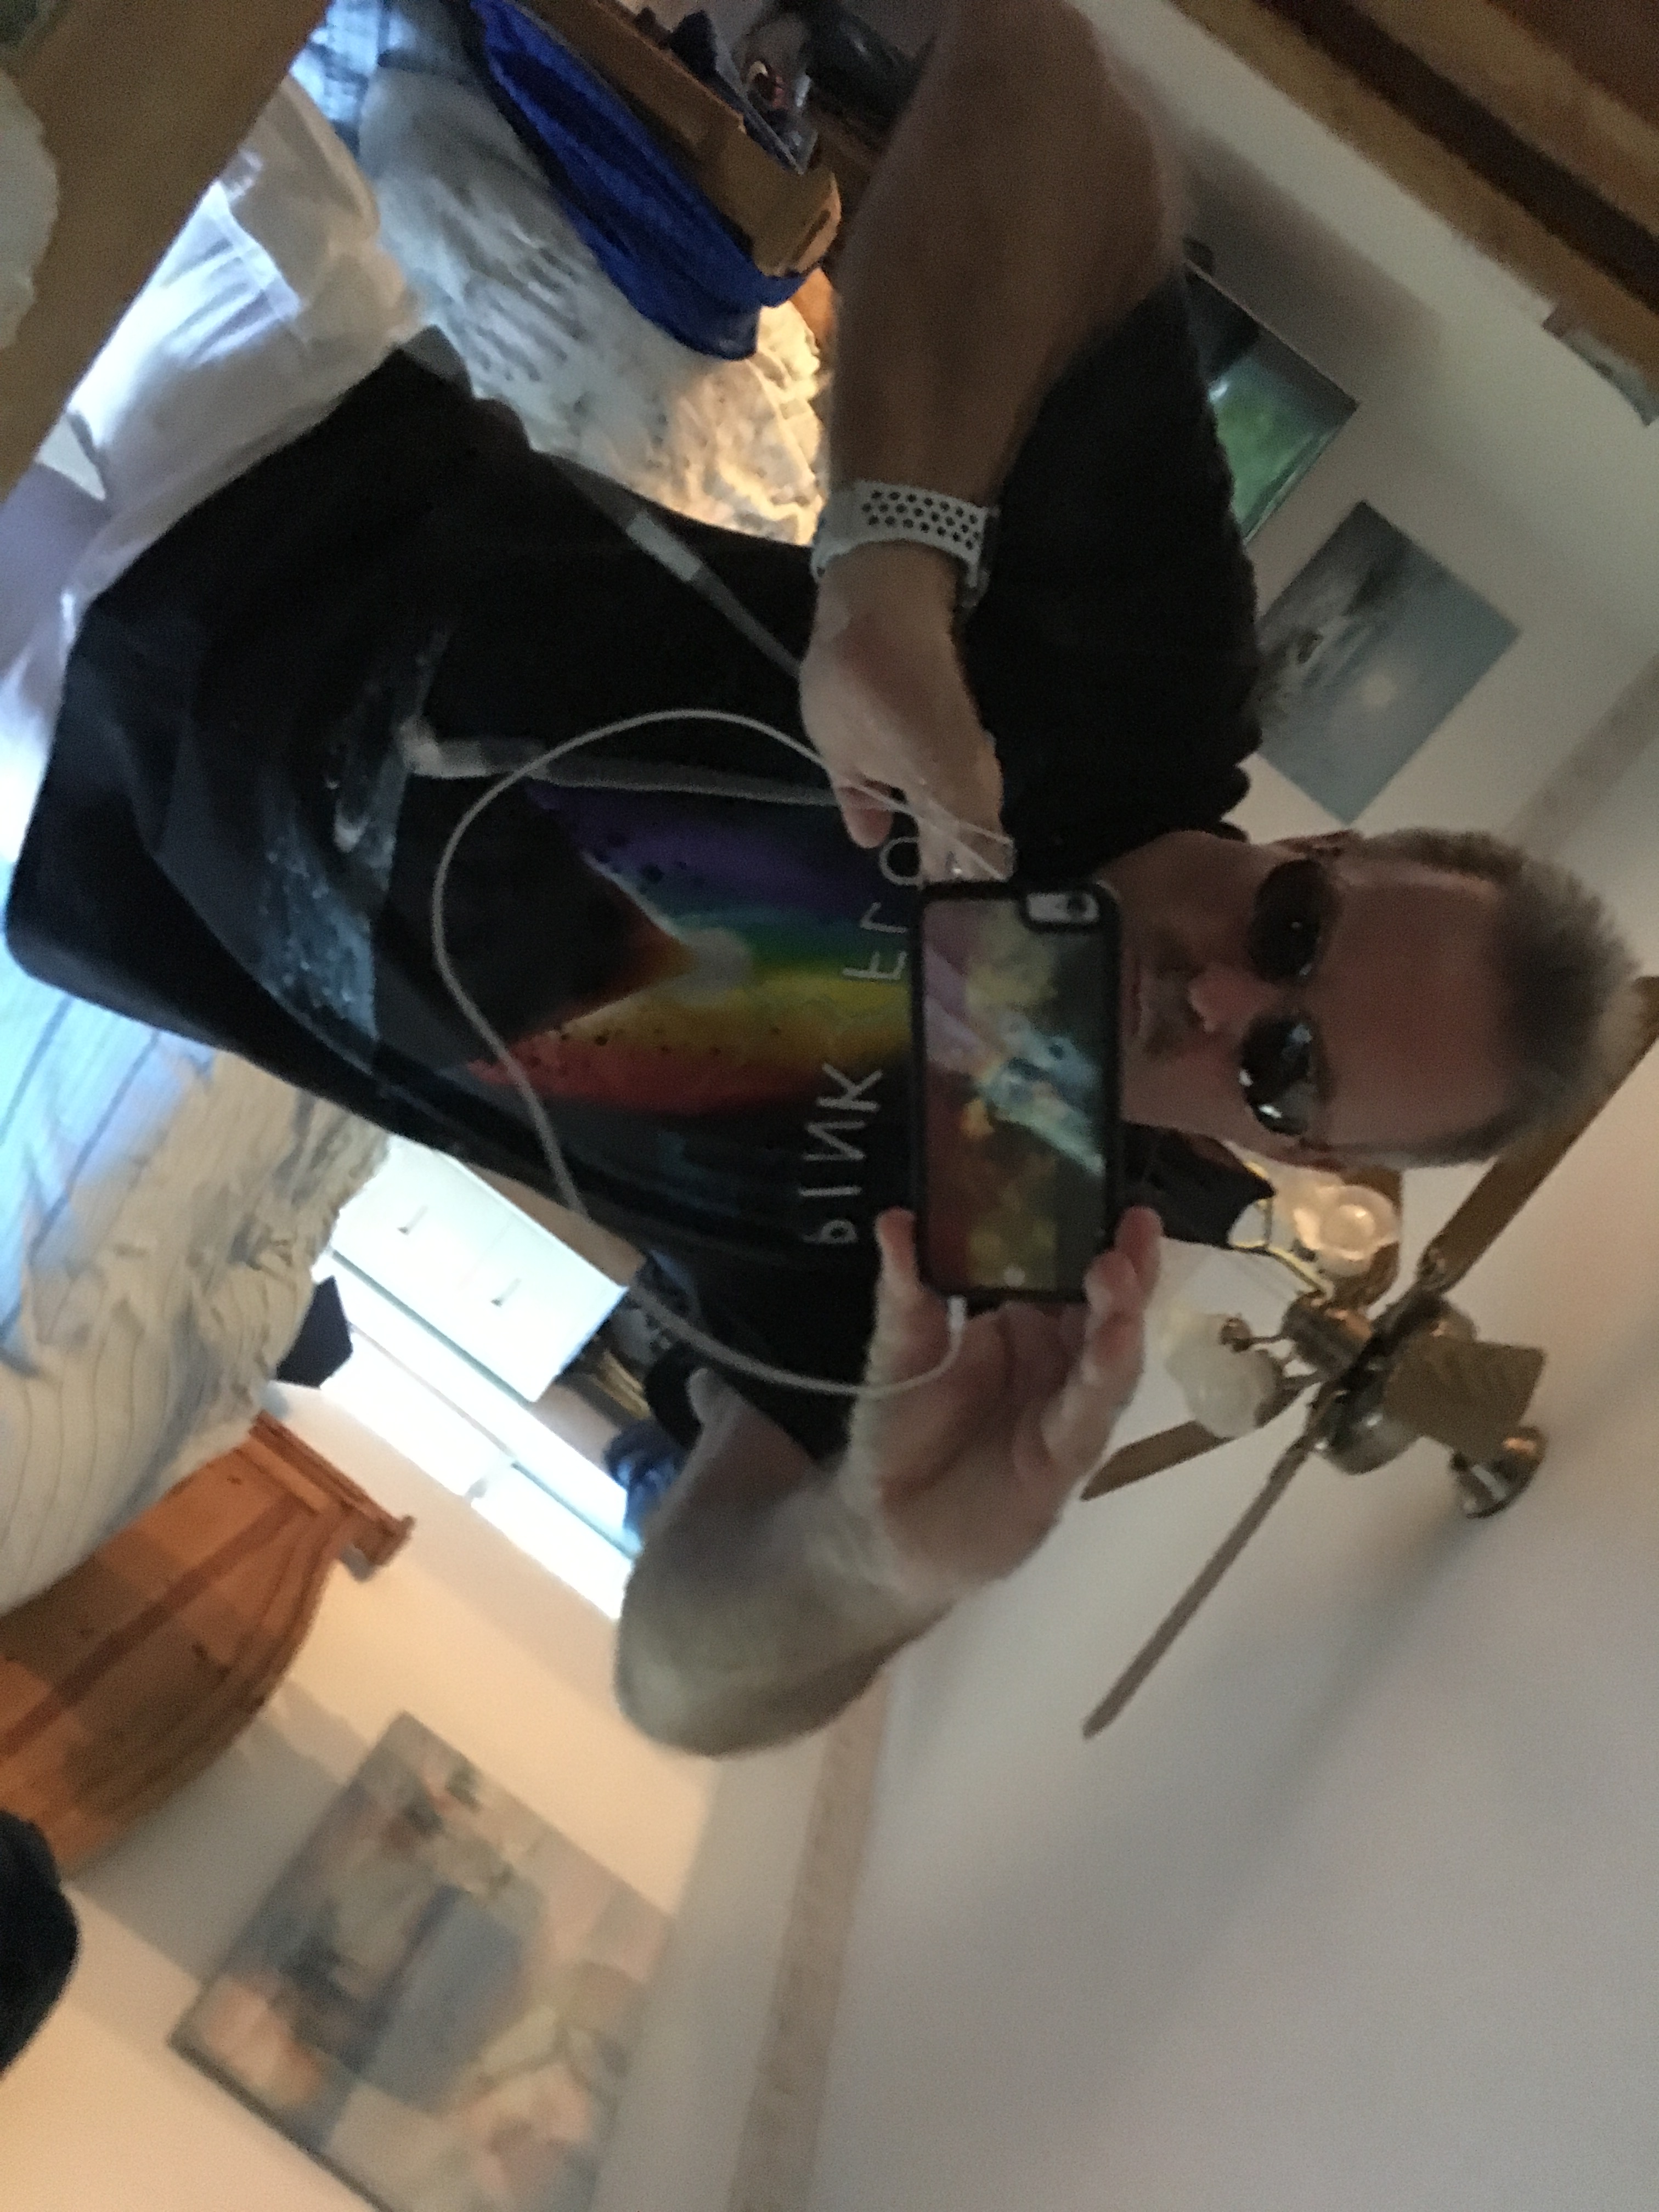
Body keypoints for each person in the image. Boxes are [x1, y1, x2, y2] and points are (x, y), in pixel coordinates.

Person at [0, 4, 1634, 1756]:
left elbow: (679, 1678)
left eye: (1284, 1065)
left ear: (1295, 1152)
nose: (1223, 991)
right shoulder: (1138, 698)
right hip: (244, 408)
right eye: (1296, 932)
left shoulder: (995, 1249)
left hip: (69, 775)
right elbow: (1049, 84)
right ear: (1331, 850)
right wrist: (891, 572)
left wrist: (865, 1553)